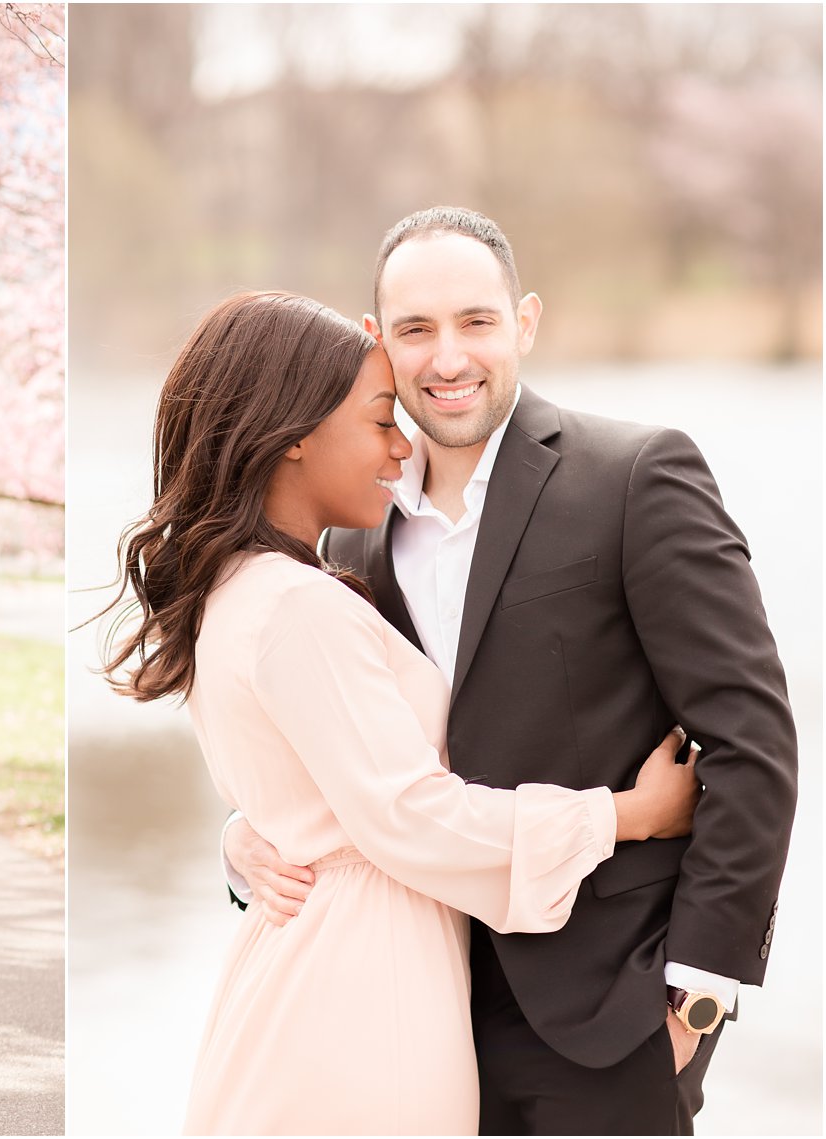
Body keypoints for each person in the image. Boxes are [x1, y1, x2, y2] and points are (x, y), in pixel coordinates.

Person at [225, 208, 798, 1134]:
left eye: (476, 321)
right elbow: (345, 739)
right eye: (416, 329)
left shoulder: (636, 475)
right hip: (414, 1002)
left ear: (523, 322)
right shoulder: (351, 530)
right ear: (379, 340)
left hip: (611, 1011)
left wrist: (697, 992)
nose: (447, 357)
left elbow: (753, 740)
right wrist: (246, 833)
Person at [102, 290, 700, 1135]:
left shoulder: (236, 588)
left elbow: (309, 779)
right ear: (296, 435)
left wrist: (246, 831)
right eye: (380, 418)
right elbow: (409, 814)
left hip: (317, 962)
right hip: (359, 991)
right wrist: (628, 815)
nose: (400, 444)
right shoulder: (297, 605)